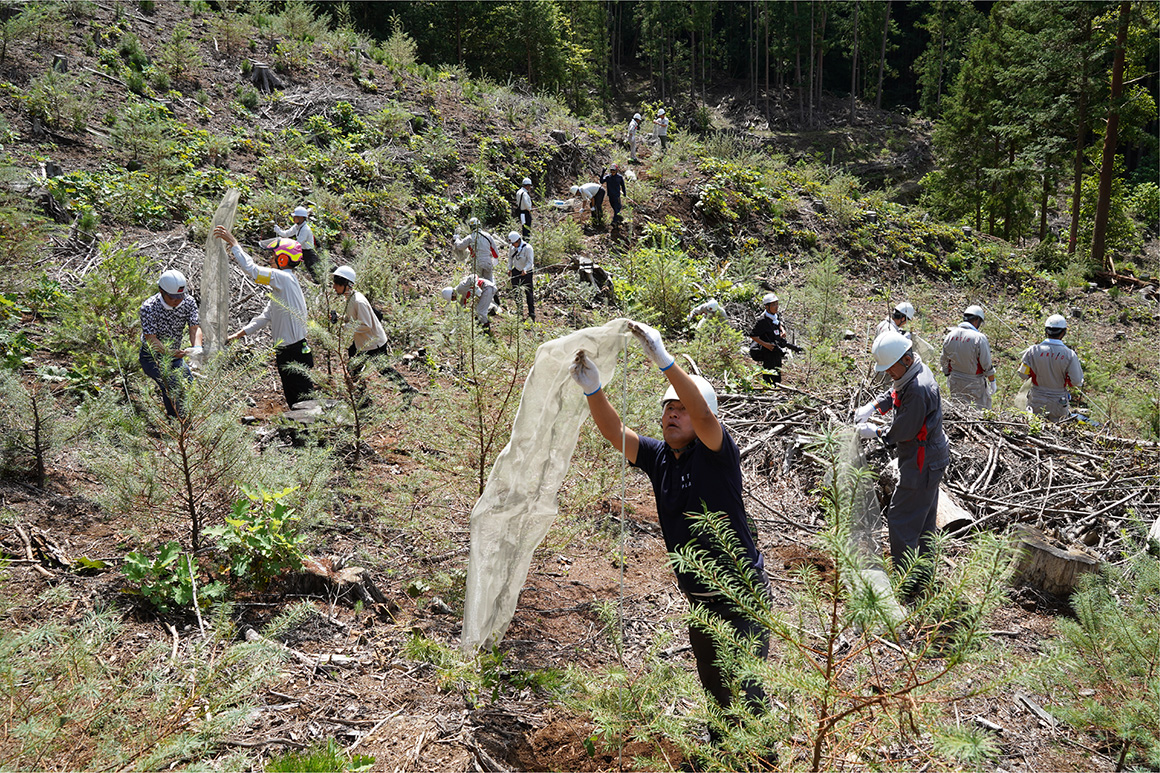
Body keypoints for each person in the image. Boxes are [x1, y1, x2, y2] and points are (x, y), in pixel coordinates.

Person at [569, 322, 769, 727]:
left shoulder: (717, 453)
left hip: (741, 595)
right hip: (700, 600)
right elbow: (614, 432)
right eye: (667, 409)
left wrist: (665, 362)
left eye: (681, 409)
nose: (673, 415)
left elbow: (704, 414)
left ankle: (758, 760)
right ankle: (722, 756)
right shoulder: (660, 457)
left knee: (745, 693)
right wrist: (593, 391)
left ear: (700, 416)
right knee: (715, 687)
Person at [854, 330, 950, 600]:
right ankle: (922, 577)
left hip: (922, 461)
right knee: (923, 522)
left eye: (890, 368)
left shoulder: (919, 390)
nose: (888, 374)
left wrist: (877, 433)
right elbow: (896, 391)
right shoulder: (913, 372)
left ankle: (907, 584)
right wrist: (874, 406)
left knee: (902, 520)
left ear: (905, 359)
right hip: (926, 458)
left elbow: (904, 430)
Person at [213, 225, 314, 408]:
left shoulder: (283, 278)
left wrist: (234, 243)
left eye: (274, 257)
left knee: (303, 401)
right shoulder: (282, 289)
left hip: (293, 352)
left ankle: (311, 433)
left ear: (283, 259)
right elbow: (265, 316)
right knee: (294, 398)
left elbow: (254, 271)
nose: (270, 260)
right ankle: (302, 432)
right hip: (289, 351)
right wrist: (237, 335)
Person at [331, 266, 415, 398]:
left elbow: (366, 325)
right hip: (363, 341)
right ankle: (362, 399)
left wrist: (345, 326)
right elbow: (353, 318)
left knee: (383, 370)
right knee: (354, 368)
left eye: (336, 284)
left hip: (373, 342)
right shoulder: (350, 298)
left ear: (346, 284)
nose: (334, 287)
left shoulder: (358, 301)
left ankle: (407, 390)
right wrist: (340, 317)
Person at [139, 269, 202, 417]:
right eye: (173, 298)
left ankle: (186, 420)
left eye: (180, 297)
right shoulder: (149, 307)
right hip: (152, 357)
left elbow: (194, 327)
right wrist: (168, 352)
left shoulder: (188, 302)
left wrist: (197, 348)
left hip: (174, 355)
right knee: (171, 385)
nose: (177, 301)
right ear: (161, 291)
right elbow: (151, 339)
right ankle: (176, 422)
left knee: (188, 383)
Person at [1018, 314, 1084, 421]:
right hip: (1058, 401)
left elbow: (1023, 374)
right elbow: (1076, 381)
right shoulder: (1070, 355)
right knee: (1056, 433)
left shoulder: (1033, 351)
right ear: (1063, 332)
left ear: (1046, 331)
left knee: (1035, 428)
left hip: (1036, 399)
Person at [939, 305, 995, 409]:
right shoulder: (979, 338)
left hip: (955, 380)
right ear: (977, 320)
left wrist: (947, 374)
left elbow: (944, 358)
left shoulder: (951, 335)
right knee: (981, 411)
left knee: (958, 410)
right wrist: (992, 381)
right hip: (974, 382)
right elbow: (986, 363)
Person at [749, 293, 801, 384]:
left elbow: (778, 322)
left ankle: (777, 390)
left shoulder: (775, 316)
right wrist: (766, 345)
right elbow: (753, 335)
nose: (776, 306)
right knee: (769, 376)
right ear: (767, 307)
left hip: (776, 351)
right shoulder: (762, 321)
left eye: (777, 304)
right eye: (773, 305)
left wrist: (782, 330)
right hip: (768, 352)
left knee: (777, 374)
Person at [871, 301, 915, 389]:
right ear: (902, 318)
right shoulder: (891, 330)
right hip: (887, 368)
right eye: (906, 321)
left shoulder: (883, 324)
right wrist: (906, 339)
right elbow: (894, 351)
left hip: (880, 364)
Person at [274, 205, 320, 277]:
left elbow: (298, 243)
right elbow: (286, 234)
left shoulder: (305, 229)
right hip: (302, 251)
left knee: (313, 271)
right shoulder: (296, 226)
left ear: (301, 218)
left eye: (295, 217)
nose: (293, 218)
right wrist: (278, 230)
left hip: (309, 253)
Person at [452, 218, 500, 283]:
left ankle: (479, 293)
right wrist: (495, 258)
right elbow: (495, 250)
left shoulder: (470, 237)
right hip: (487, 261)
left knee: (477, 282)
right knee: (489, 281)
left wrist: (456, 239)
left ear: (471, 227)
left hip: (477, 262)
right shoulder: (488, 235)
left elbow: (460, 246)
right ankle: (493, 292)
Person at [507, 231, 535, 322]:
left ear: (518, 240)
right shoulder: (512, 248)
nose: (513, 245)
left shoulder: (528, 248)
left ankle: (531, 313)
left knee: (529, 292)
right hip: (516, 271)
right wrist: (510, 268)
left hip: (527, 272)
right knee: (516, 291)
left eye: (514, 243)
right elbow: (510, 258)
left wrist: (525, 269)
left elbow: (530, 262)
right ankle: (519, 311)